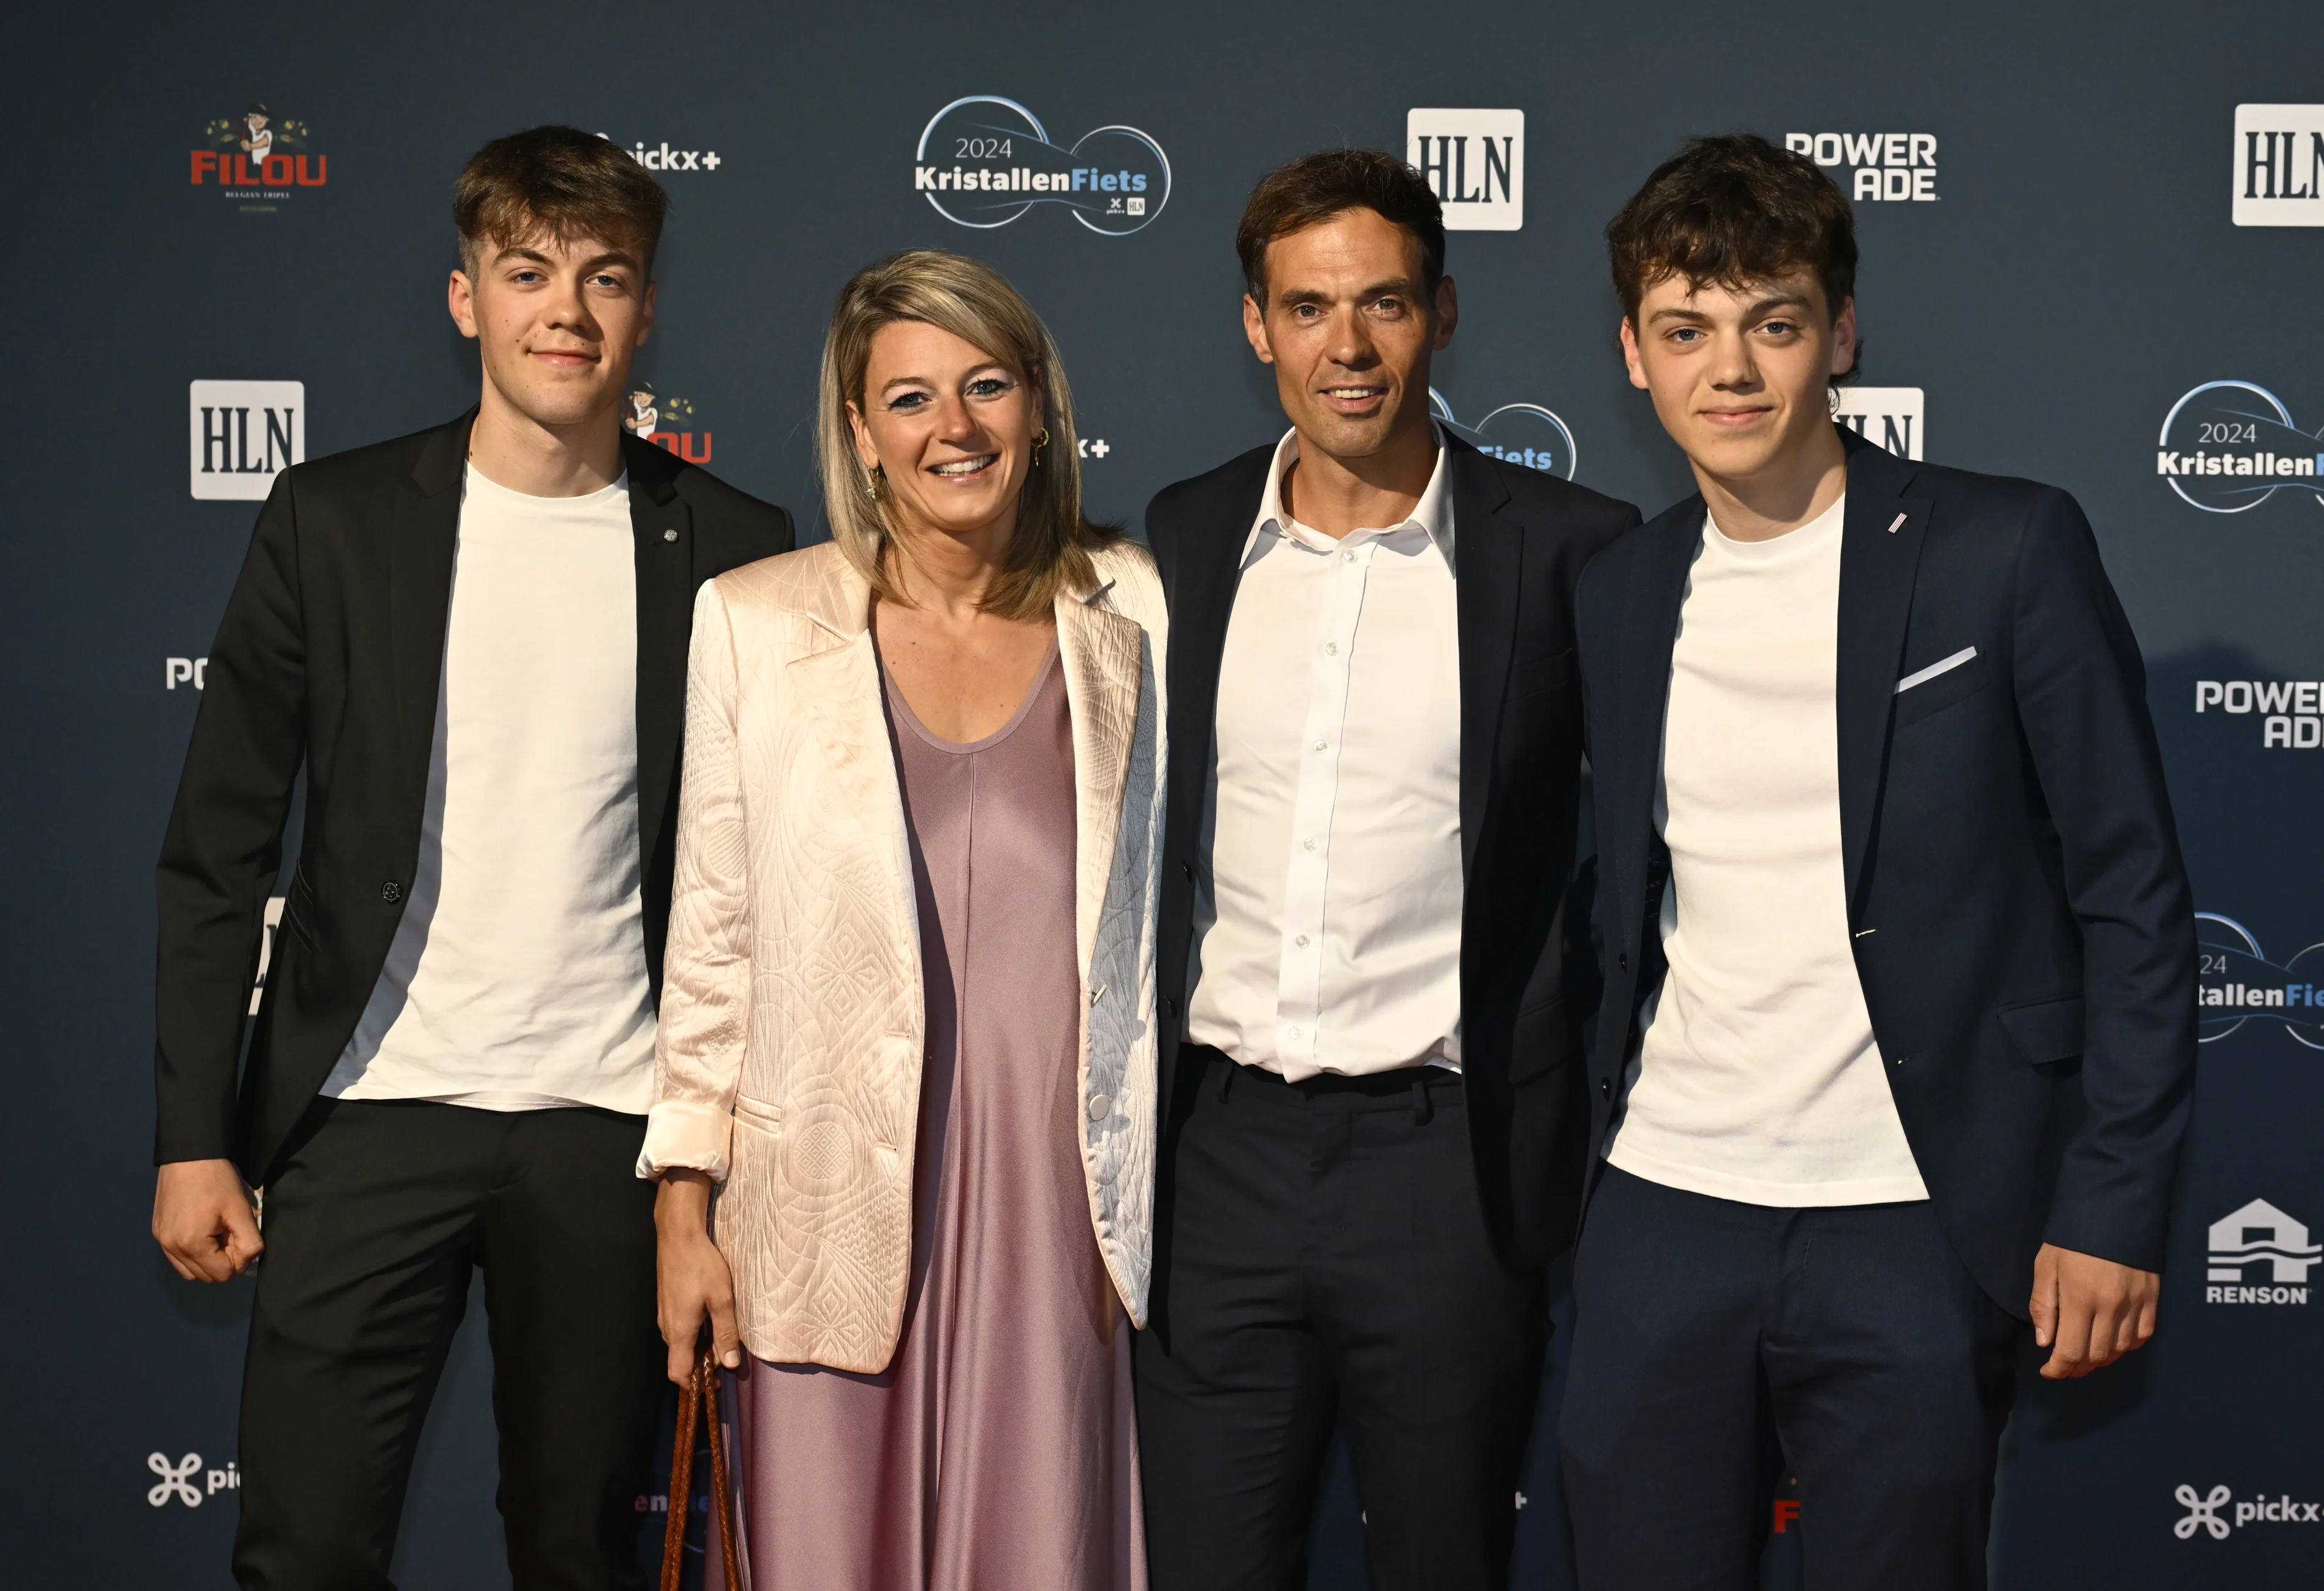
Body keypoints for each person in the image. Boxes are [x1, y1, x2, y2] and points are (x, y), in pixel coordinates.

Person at [150, 125, 793, 1590]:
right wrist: (197, 1132)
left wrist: (712, 1167)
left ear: (646, 311)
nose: (565, 311)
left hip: (605, 1133)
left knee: (578, 1554)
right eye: (527, 273)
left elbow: (758, 884)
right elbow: (215, 847)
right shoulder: (334, 520)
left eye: (605, 278)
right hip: (367, 1111)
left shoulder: (733, 546)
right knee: (304, 1550)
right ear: (467, 302)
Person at [1562, 134, 2196, 1590]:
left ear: (1838, 335)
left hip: (1917, 1212)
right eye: (1687, 332)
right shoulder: (1619, 587)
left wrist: (2109, 1205)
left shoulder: (2005, 549)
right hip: (1665, 1202)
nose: (1731, 371)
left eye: (1771, 324)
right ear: (1635, 356)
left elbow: (2136, 900)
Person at [1135, 149, 1641, 1591]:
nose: (1346, 348)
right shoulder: (1183, 537)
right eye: (1307, 308)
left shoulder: (1570, 551)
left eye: (1383, 306)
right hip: (1214, 1163)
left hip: (1450, 1169)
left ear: (1445, 313)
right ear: (1256, 327)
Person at [644, 249, 1166, 1591]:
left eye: (987, 386)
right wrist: (684, 1214)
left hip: (1054, 1218)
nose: (956, 428)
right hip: (821, 1201)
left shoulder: (1133, 613)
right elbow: (713, 940)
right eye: (913, 399)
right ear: (863, 435)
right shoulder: (756, 624)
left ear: (1040, 409)